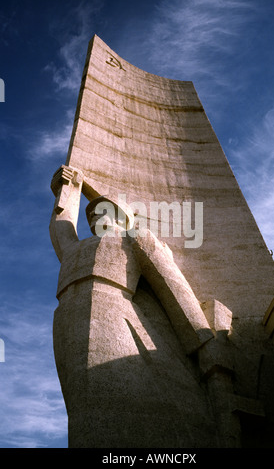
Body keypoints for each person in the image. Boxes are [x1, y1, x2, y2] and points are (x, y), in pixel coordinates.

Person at [50, 165, 217, 448]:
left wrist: (205, 344)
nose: (94, 216)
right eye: (91, 214)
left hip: (111, 306)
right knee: (80, 401)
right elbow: (61, 228)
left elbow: (173, 287)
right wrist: (66, 190)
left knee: (107, 390)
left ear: (120, 215)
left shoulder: (134, 238)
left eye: (102, 211)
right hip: (66, 314)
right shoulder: (77, 249)